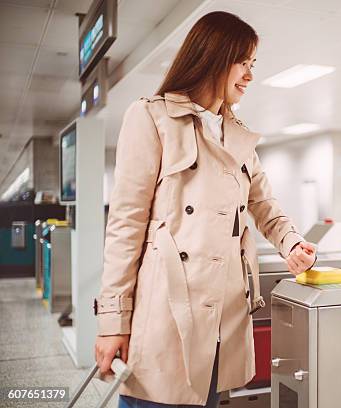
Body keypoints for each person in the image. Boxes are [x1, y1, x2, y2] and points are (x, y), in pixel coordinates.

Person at [93, 11, 317, 407]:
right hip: (166, 314)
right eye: (242, 63)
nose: (249, 75)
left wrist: (291, 243)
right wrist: (113, 321)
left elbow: (264, 204)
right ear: (213, 56)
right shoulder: (151, 117)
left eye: (252, 65)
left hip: (223, 321)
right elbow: (125, 226)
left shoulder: (238, 134)